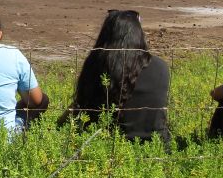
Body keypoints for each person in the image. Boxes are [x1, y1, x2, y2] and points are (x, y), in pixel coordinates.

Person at [63, 9, 170, 143]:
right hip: (156, 145)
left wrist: (59, 125)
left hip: (107, 144)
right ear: (139, 35)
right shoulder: (161, 67)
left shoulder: (96, 64)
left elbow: (83, 105)